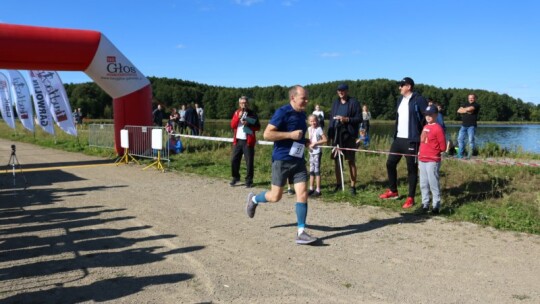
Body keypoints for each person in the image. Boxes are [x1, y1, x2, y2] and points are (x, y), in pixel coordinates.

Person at [245, 85, 317, 245]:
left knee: (303, 193)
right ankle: (254, 199)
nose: (306, 100)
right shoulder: (282, 112)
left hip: (298, 160)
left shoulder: (302, 114)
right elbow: (267, 134)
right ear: (293, 98)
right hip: (281, 160)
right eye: (303, 98)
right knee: (275, 196)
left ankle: (301, 232)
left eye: (306, 98)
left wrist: (304, 141)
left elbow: (297, 136)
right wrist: (290, 135)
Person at [379, 77, 428, 209]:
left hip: (412, 139)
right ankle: (393, 191)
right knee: (390, 163)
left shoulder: (419, 99)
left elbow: (427, 116)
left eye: (401, 85)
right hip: (398, 138)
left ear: (409, 86)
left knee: (411, 169)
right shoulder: (400, 100)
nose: (399, 88)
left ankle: (410, 197)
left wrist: (425, 132)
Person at [328, 83, 362, 195]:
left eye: (342, 90)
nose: (340, 92)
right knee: (337, 161)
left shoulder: (354, 102)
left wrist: (346, 119)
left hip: (349, 136)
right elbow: (331, 120)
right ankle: (339, 184)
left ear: (347, 91)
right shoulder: (335, 103)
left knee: (351, 161)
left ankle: (353, 186)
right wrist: (330, 135)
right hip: (337, 135)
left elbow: (359, 119)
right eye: (338, 90)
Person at [418, 105, 447, 214]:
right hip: (422, 159)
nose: (428, 117)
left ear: (436, 115)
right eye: (426, 115)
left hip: (432, 160)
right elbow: (422, 142)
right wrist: (419, 154)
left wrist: (434, 151)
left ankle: (436, 205)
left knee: (433, 183)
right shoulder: (425, 126)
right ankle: (425, 204)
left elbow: (443, 147)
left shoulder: (438, 128)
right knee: (423, 183)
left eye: (431, 115)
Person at [230, 96, 261, 188]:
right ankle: (236, 177)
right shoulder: (236, 112)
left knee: (249, 162)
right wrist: (238, 117)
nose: (243, 104)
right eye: (241, 103)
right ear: (239, 104)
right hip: (238, 140)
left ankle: (249, 180)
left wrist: (248, 123)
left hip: (248, 141)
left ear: (248, 103)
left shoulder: (252, 113)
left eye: (245, 103)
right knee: (234, 160)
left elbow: (258, 127)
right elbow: (232, 125)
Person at [307, 114, 327, 197]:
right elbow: (310, 139)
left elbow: (325, 139)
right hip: (311, 152)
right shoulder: (309, 129)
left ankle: (318, 190)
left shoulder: (319, 129)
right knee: (311, 170)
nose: (313, 123)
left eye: (314, 121)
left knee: (317, 171)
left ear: (317, 121)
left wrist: (316, 143)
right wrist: (308, 144)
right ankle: (311, 188)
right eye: (311, 121)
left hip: (317, 152)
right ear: (309, 122)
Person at [457, 94, 480, 159]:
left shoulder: (476, 105)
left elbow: (470, 108)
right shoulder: (465, 104)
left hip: (471, 126)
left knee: (471, 140)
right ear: (468, 98)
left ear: (475, 98)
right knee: (460, 139)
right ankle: (460, 154)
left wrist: (464, 110)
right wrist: (467, 110)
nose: (470, 99)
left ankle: (469, 155)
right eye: (469, 98)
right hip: (463, 125)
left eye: (472, 98)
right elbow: (458, 110)